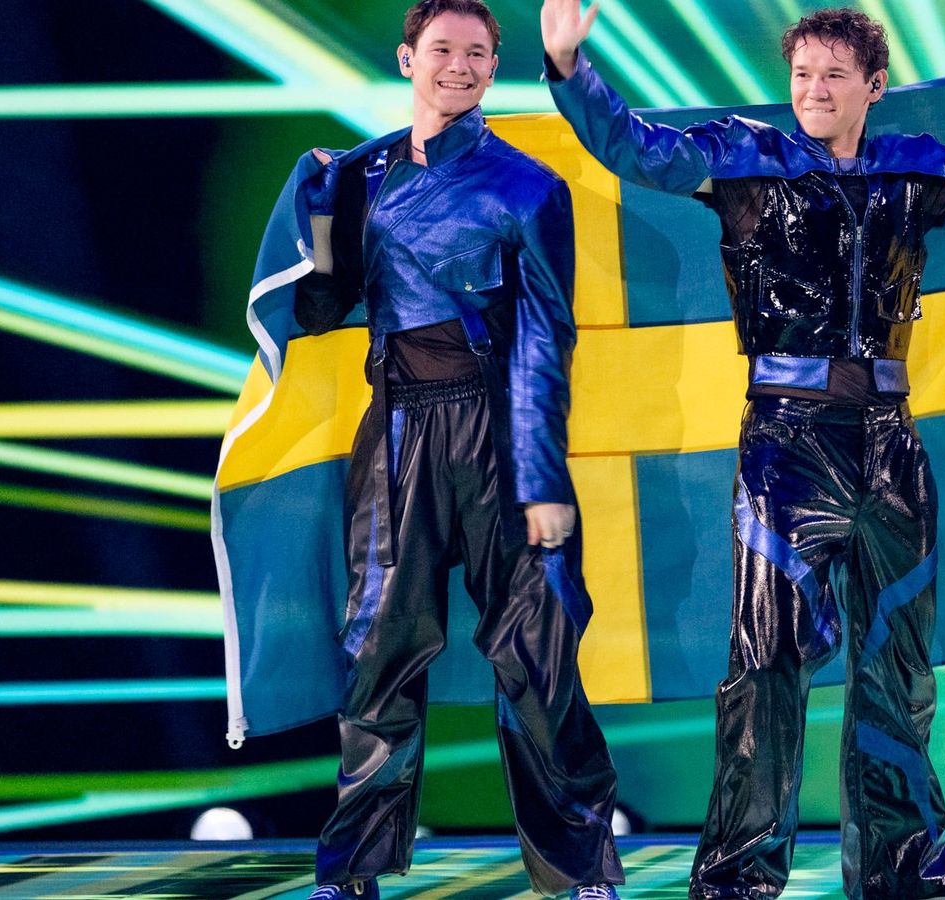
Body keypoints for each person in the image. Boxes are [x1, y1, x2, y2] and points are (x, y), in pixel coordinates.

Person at [540, 2, 945, 898]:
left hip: (889, 447)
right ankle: (736, 880)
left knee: (897, 666)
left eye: (835, 75)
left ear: (874, 87)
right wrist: (570, 67)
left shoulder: (917, 166)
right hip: (784, 448)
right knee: (764, 663)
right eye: (802, 75)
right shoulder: (745, 157)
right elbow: (638, 149)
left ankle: (904, 873)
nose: (814, 91)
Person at [293, 1, 623, 897]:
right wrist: (323, 224)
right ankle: (351, 871)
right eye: (442, 50)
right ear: (407, 59)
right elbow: (321, 312)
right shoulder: (356, 176)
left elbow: (550, 338)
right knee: (378, 649)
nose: (459, 66)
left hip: (496, 435)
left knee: (537, 652)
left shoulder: (527, 187)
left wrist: (545, 475)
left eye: (477, 53)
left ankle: (581, 869)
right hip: (396, 430)